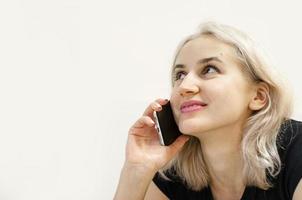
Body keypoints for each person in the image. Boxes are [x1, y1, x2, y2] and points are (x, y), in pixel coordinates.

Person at [113, 21, 302, 200]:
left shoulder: (296, 151)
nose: (184, 86)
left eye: (209, 69)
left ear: (258, 96)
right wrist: (137, 168)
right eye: (180, 75)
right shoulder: (173, 172)